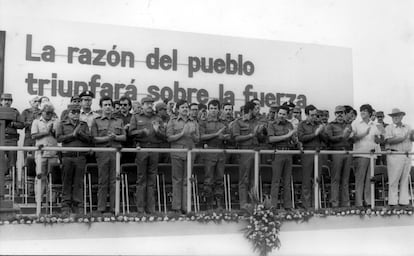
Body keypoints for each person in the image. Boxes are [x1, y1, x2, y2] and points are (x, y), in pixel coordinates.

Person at [129, 96, 166, 214]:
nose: (150, 105)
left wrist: (157, 131)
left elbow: (164, 137)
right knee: (141, 179)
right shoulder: (136, 117)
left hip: (155, 149)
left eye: (151, 103)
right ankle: (140, 209)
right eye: (147, 103)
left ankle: (151, 208)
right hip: (142, 149)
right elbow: (130, 133)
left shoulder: (158, 118)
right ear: (142, 105)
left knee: (152, 179)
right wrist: (141, 132)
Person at [91, 96, 126, 214]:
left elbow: (124, 136)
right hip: (102, 153)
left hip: (115, 153)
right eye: (105, 105)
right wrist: (107, 138)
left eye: (109, 105)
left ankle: (114, 208)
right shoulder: (96, 121)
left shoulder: (119, 121)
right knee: (103, 181)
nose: (108, 107)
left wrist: (115, 137)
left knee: (114, 180)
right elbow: (94, 138)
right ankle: (101, 208)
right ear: (101, 107)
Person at [56, 103, 91, 214]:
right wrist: (73, 135)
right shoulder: (62, 124)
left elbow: (89, 139)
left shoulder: (83, 125)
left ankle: (77, 206)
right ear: (68, 113)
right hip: (67, 156)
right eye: (73, 112)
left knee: (78, 182)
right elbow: (59, 138)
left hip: (80, 157)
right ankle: (65, 206)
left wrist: (80, 134)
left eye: (77, 112)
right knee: (66, 181)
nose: (76, 114)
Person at [166, 100, 199, 213]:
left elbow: (198, 139)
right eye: (182, 107)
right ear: (178, 109)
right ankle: (177, 207)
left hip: (190, 153)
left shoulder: (193, 122)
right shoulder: (173, 121)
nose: (185, 109)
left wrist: (193, 134)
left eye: (186, 107)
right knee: (177, 180)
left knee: (187, 180)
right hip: (177, 153)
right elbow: (169, 138)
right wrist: (182, 134)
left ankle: (186, 207)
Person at [199, 99, 230, 209]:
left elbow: (229, 136)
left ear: (219, 110)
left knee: (219, 178)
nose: (213, 111)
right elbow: (201, 137)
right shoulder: (204, 122)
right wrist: (216, 135)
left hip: (221, 151)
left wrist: (224, 137)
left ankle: (219, 203)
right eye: (211, 108)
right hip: (209, 151)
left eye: (215, 108)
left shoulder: (224, 122)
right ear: (208, 109)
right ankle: (208, 203)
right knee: (208, 178)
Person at [351, 104, 381, 207]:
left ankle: (368, 202)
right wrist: (364, 133)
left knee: (370, 180)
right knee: (360, 180)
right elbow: (352, 139)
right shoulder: (355, 123)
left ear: (370, 113)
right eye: (361, 111)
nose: (362, 113)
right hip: (360, 154)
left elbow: (382, 139)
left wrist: (378, 139)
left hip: (373, 155)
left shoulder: (376, 124)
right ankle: (359, 203)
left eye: (365, 111)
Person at [232, 101, 262, 209]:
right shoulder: (238, 122)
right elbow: (236, 138)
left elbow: (262, 139)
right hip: (245, 151)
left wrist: (261, 133)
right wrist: (250, 135)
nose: (258, 111)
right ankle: (244, 205)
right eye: (256, 109)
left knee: (254, 179)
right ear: (250, 110)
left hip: (256, 151)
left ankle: (254, 204)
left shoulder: (257, 122)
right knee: (244, 179)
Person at [267, 105, 296, 210]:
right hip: (277, 153)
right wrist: (286, 136)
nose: (281, 116)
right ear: (276, 114)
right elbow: (271, 139)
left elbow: (293, 140)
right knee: (276, 181)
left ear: (287, 115)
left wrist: (294, 139)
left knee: (287, 181)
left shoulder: (290, 125)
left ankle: (288, 206)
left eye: (284, 114)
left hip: (288, 153)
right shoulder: (272, 125)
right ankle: (273, 206)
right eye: (280, 113)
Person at [31, 103, 59, 207]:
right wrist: (46, 132)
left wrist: (53, 132)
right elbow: (34, 136)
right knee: (40, 177)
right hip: (40, 154)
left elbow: (59, 137)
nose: (49, 114)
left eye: (51, 113)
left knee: (52, 178)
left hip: (53, 154)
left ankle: (51, 201)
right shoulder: (36, 122)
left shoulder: (56, 122)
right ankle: (39, 200)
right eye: (47, 112)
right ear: (42, 112)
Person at [297, 104, 326, 209]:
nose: (315, 117)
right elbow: (301, 138)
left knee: (317, 179)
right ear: (307, 114)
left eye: (316, 115)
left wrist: (322, 132)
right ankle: (306, 205)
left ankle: (316, 204)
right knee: (306, 179)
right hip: (308, 153)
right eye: (312, 115)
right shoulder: (302, 124)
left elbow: (326, 140)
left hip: (318, 153)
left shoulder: (319, 124)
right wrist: (315, 134)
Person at [384, 108, 413, 208]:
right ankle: (393, 202)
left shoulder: (408, 127)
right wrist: (401, 138)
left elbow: (412, 138)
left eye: (397, 115)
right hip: (395, 154)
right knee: (394, 179)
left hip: (407, 154)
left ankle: (404, 201)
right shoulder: (389, 128)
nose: (395, 118)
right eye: (393, 116)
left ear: (401, 116)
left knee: (405, 178)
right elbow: (388, 141)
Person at [325, 105, 353, 207]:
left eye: (342, 112)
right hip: (336, 152)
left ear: (345, 114)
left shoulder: (349, 125)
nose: (340, 115)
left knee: (346, 179)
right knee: (335, 178)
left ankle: (346, 203)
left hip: (347, 152)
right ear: (335, 114)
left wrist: (352, 136)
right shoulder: (330, 125)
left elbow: (351, 139)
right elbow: (329, 139)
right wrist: (342, 136)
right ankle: (334, 203)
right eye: (338, 113)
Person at [0, 93, 24, 176]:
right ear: (1, 101)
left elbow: (22, 125)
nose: (7, 102)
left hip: (12, 140)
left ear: (11, 102)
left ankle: (13, 185)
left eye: (9, 100)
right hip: (0, 139)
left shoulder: (15, 111)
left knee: (12, 163)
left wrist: (12, 124)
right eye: (5, 100)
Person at [114, 95, 134, 163]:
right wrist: (123, 129)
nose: (122, 106)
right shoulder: (114, 116)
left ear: (129, 106)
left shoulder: (134, 117)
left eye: (125, 105)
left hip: (131, 145)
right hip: (119, 145)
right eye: (121, 104)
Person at [21, 96, 40, 161]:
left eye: (38, 101)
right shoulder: (25, 112)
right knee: (26, 158)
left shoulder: (42, 112)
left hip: (38, 137)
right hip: (28, 136)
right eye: (35, 101)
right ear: (30, 102)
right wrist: (29, 123)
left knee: (36, 157)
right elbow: (21, 124)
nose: (37, 103)